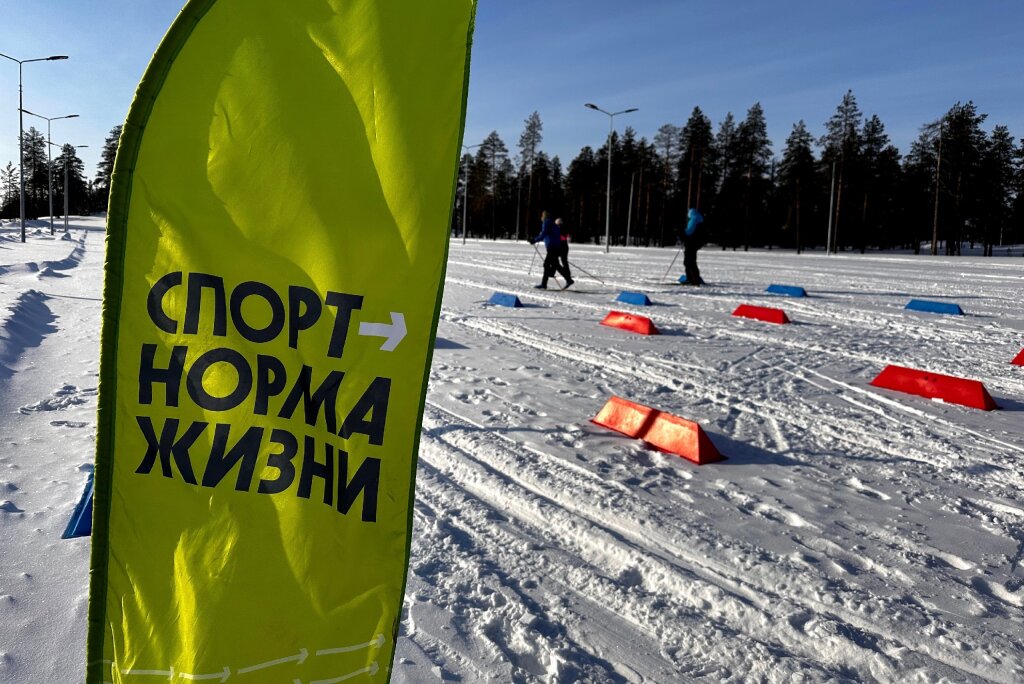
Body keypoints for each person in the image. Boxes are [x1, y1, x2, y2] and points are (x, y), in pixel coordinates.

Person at [529, 211, 573, 289]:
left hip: (552, 247)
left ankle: (544, 284)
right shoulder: (553, 224)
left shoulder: (547, 223)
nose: (541, 217)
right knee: (555, 265)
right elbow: (548, 234)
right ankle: (567, 279)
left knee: (547, 264)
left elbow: (543, 234)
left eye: (542, 216)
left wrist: (534, 240)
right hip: (556, 247)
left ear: (544, 216)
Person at [682, 207, 705, 286]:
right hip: (694, 244)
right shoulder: (699, 219)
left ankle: (693, 279)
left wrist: (683, 233)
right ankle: (693, 279)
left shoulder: (693, 220)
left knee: (689, 262)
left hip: (691, 244)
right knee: (690, 262)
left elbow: (689, 232)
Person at [555, 218, 572, 282]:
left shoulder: (560, 229)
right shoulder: (564, 228)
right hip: (565, 247)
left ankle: (566, 274)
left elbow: (563, 237)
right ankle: (567, 273)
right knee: (564, 261)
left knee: (556, 260)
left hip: (561, 247)